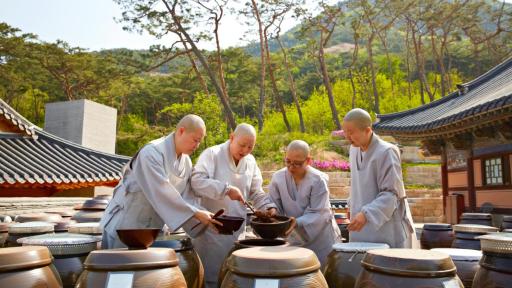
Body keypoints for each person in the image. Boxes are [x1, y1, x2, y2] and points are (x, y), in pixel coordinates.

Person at [100, 114, 220, 249]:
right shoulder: (152, 152)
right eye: (195, 140)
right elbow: (161, 192)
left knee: (148, 269)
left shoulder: (186, 162)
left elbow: (185, 198)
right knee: (120, 267)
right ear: (181, 131)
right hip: (126, 226)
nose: (197, 146)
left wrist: (205, 219)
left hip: (152, 231)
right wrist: (196, 213)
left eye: (199, 142)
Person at [191, 123, 277, 288]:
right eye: (242, 145)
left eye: (250, 147)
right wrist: (226, 189)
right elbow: (196, 181)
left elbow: (256, 192)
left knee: (234, 280)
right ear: (231, 137)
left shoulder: (250, 161)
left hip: (237, 231)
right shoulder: (212, 154)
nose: (245, 150)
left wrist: (268, 206)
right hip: (212, 231)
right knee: (211, 279)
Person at [343, 108, 417, 248]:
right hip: (360, 226)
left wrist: (366, 214)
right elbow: (357, 185)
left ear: (367, 130)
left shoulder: (386, 152)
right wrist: (351, 204)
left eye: (351, 132)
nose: (347, 137)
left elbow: (391, 194)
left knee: (386, 265)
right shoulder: (353, 150)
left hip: (386, 228)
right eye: (345, 132)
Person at [268, 140, 341, 267]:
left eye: (297, 164)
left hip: (321, 238)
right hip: (293, 236)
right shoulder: (278, 178)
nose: (291, 167)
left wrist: (297, 222)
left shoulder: (318, 180)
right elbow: (274, 205)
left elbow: (318, 212)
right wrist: (271, 211)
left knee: (322, 278)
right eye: (288, 161)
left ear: (308, 160)